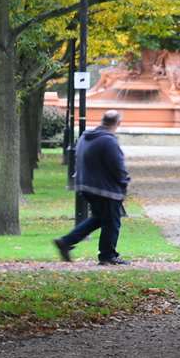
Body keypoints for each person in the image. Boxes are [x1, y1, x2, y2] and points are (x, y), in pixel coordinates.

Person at [53, 109, 132, 266]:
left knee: (99, 219)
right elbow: (117, 166)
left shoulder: (86, 137)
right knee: (112, 222)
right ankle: (107, 255)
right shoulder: (108, 141)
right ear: (118, 123)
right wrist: (124, 182)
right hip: (105, 189)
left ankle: (66, 242)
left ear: (103, 120)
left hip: (86, 185)